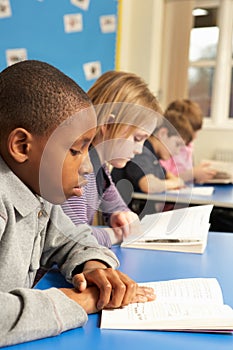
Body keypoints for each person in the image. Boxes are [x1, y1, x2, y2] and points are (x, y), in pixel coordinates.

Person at [0, 60, 155, 347]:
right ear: (22, 146)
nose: (86, 167)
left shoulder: (38, 193)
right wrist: (79, 299)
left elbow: (72, 239)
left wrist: (95, 267)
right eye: (75, 151)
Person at [61, 71, 162, 246]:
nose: (139, 149)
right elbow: (74, 238)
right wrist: (118, 235)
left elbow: (119, 208)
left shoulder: (101, 169)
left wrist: (121, 216)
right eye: (137, 138)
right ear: (108, 124)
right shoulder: (77, 168)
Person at [112, 109, 193, 217]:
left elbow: (169, 176)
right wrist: (176, 183)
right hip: (122, 217)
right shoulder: (143, 151)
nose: (177, 151)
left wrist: (175, 181)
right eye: (177, 144)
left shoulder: (154, 156)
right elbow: (148, 185)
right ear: (163, 133)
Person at [160, 99, 216, 184]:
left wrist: (198, 176)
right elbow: (164, 179)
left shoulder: (188, 146)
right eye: (193, 131)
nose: (195, 136)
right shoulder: (166, 149)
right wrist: (192, 174)